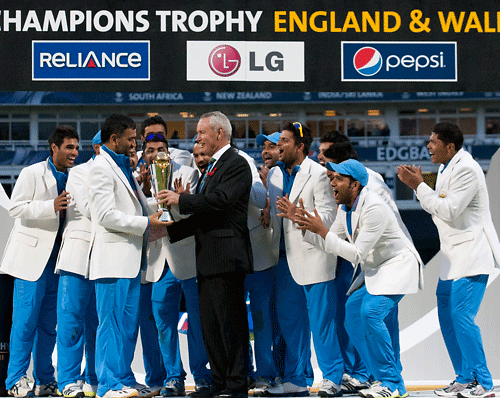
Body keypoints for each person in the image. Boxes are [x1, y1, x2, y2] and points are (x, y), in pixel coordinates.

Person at [296, 159, 423, 398]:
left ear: (355, 185)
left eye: (339, 179)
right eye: (332, 177)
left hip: (397, 267)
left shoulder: (374, 207)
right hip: (376, 269)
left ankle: (393, 382)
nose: (332, 182)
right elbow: (329, 242)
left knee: (370, 313)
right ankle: (381, 377)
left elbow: (355, 254)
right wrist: (306, 227)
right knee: (353, 313)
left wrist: (321, 231)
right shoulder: (346, 208)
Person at [397, 122, 500, 398]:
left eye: (433, 141)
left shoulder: (466, 169)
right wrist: (422, 188)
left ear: (450, 146)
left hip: (472, 254)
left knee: (461, 316)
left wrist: (419, 186)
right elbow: (438, 209)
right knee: (447, 315)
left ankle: (485, 383)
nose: (428, 146)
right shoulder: (444, 168)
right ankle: (464, 378)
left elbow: (448, 210)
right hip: (452, 258)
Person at [159, 111, 253, 398]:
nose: (197, 137)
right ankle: (220, 382)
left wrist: (181, 199)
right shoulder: (213, 167)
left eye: (201, 132)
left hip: (227, 258)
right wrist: (168, 231)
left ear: (219, 134)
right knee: (211, 326)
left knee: (231, 324)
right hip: (209, 258)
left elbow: (220, 203)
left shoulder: (236, 163)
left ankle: (236, 384)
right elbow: (205, 214)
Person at [87, 114, 170, 398]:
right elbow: (105, 216)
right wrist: (148, 224)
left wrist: (154, 216)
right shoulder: (100, 168)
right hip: (112, 262)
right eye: (131, 139)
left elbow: (135, 209)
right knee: (109, 325)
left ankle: (122, 379)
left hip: (132, 260)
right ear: (114, 139)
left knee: (124, 328)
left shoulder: (124, 168)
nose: (135, 144)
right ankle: (107, 385)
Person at [265, 122, 343, 397]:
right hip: (284, 260)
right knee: (290, 324)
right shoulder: (274, 175)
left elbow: (329, 219)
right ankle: (297, 379)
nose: (278, 146)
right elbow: (276, 213)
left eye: (284, 141)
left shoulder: (320, 174)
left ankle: (333, 378)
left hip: (314, 257)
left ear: (300, 147)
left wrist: (296, 216)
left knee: (322, 325)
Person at [1, 126, 79, 398]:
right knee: (24, 323)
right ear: (54, 147)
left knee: (49, 326)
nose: (74, 153)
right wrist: (51, 206)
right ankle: (15, 380)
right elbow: (16, 208)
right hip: (31, 260)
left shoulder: (75, 178)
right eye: (69, 147)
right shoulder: (31, 172)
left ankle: (45, 379)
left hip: (59, 262)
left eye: (76, 147)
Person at [141, 133, 211, 396]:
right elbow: (139, 216)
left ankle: (202, 374)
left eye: (161, 149)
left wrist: (178, 200)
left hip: (187, 256)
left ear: (168, 152)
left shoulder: (188, 174)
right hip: (158, 260)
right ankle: (173, 376)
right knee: (162, 322)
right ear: (144, 153)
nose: (156, 154)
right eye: (150, 150)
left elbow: (192, 211)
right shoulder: (139, 180)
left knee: (197, 320)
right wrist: (148, 194)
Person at [55, 132, 102, 398]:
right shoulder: (80, 172)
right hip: (77, 255)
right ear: (97, 147)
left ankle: (93, 378)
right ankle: (69, 380)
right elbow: (89, 208)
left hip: (105, 258)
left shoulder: (125, 173)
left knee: (98, 323)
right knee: (71, 321)